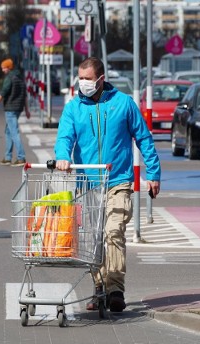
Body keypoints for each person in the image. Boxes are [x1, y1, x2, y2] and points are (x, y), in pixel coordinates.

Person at [54, 57, 161, 313]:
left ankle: (115, 290)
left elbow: (144, 138)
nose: (83, 84)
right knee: (93, 239)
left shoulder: (123, 104)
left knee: (113, 232)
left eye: (88, 79)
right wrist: (62, 156)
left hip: (118, 181)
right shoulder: (74, 108)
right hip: (88, 183)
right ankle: (99, 288)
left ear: (101, 79)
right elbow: (65, 136)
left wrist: (154, 173)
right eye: (81, 79)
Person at [0, 58, 30, 167]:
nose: (2, 70)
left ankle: (21, 157)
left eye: (4, 68)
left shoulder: (9, 78)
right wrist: (26, 109)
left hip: (10, 108)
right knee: (8, 131)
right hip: (18, 108)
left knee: (14, 132)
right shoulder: (20, 78)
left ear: (9, 67)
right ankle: (7, 157)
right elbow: (25, 95)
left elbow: (3, 93)